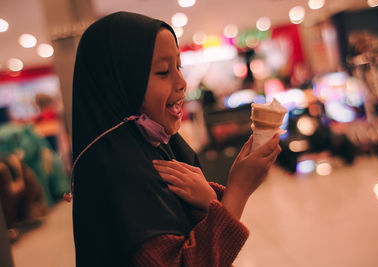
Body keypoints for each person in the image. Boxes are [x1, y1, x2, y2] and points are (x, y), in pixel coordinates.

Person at [72, 11, 281, 267]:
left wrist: (210, 199)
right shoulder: (120, 171)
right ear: (120, 82)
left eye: (178, 66)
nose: (182, 82)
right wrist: (238, 190)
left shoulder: (155, 144)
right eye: (162, 71)